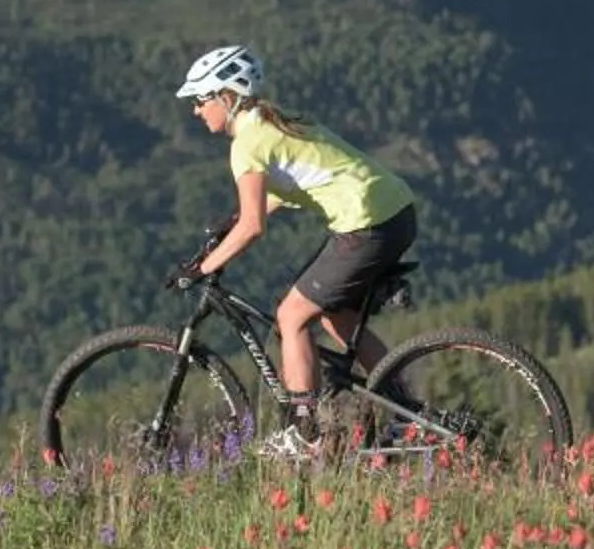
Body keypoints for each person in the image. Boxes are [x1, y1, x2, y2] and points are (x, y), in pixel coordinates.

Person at [173, 44, 420, 460]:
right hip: (393, 212)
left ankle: (306, 433)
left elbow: (254, 226)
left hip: (367, 224)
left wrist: (204, 268)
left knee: (292, 315)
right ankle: (405, 412)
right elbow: (284, 191)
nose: (197, 110)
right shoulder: (275, 122)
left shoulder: (248, 142)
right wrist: (229, 226)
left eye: (200, 100)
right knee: (335, 313)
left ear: (226, 97)